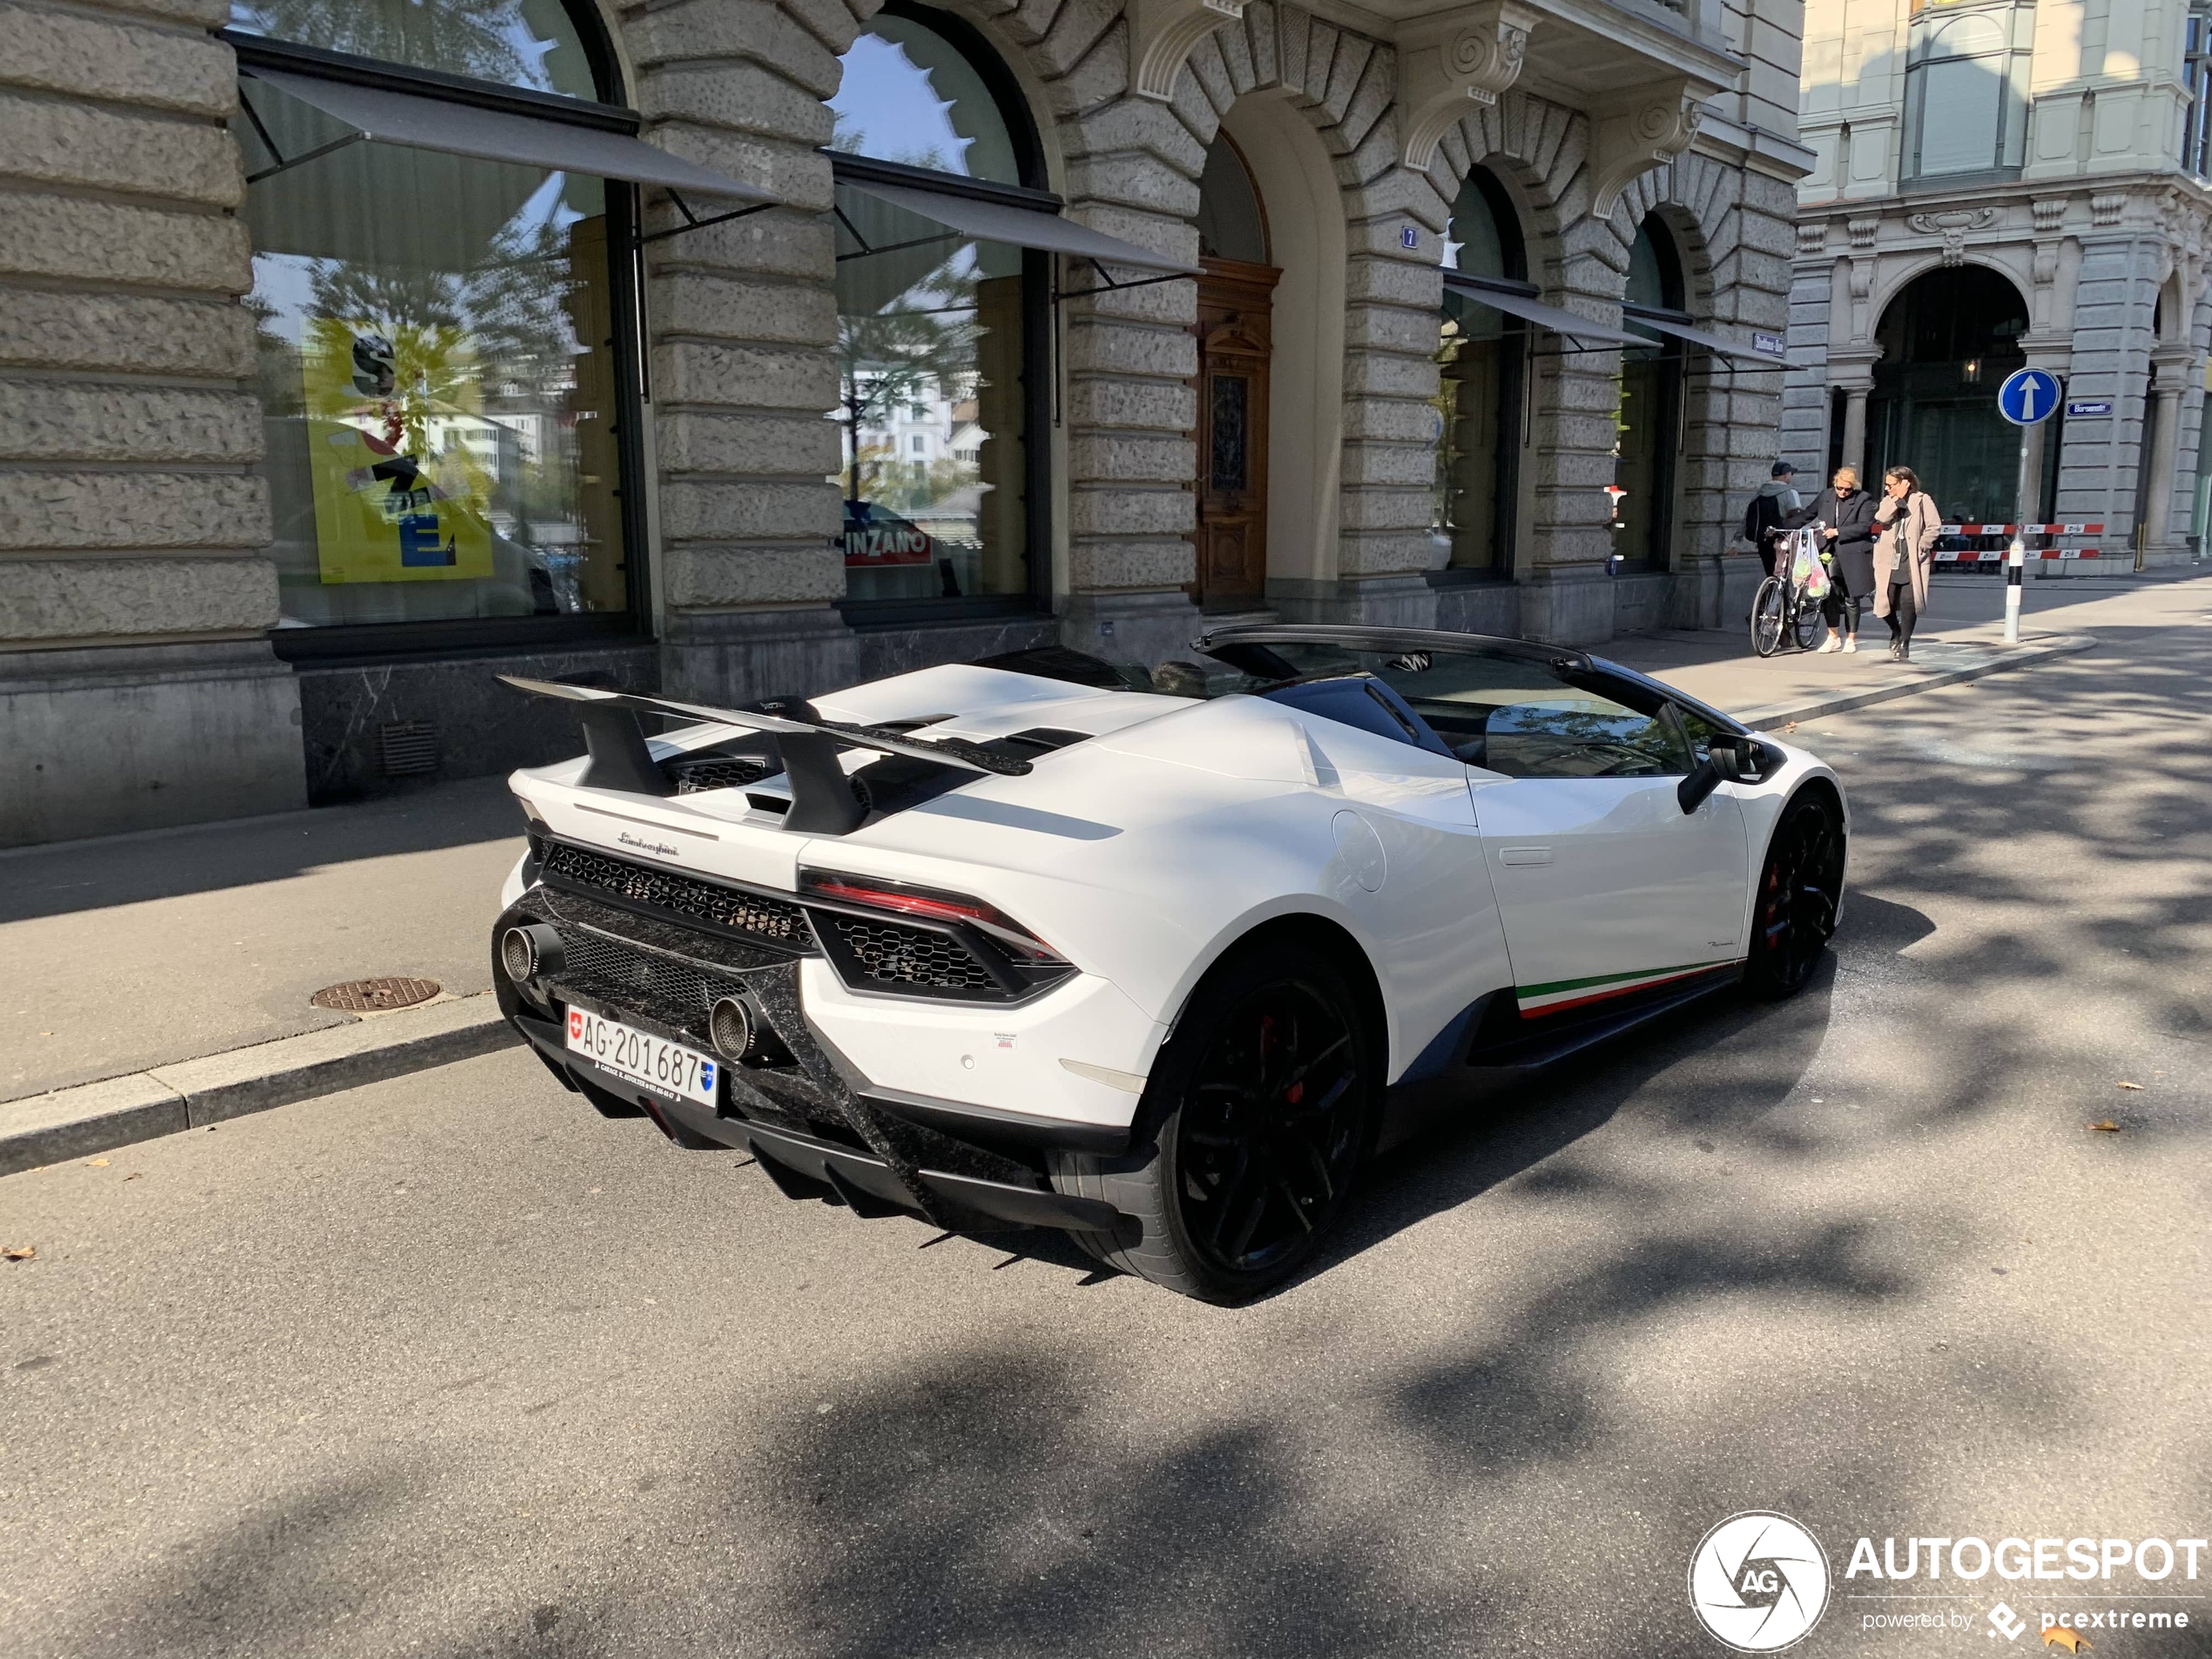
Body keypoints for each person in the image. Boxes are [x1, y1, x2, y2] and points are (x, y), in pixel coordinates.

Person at [1784, 465, 1878, 652]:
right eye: (1839, 488)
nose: (1843, 492)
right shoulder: (1826, 496)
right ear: (1834, 484)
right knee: (1828, 594)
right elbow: (1807, 515)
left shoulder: (1863, 499)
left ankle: (1851, 638)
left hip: (1852, 552)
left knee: (1851, 596)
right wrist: (1783, 527)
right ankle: (1833, 635)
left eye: (1847, 489)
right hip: (1828, 552)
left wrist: (1838, 531)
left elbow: (1864, 526)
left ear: (1854, 487)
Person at [1871, 465, 1940, 662]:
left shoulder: (1922, 500)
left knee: (1909, 602)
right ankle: (1896, 630)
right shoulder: (1888, 501)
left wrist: (1923, 544)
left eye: (1891, 484)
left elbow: (1934, 525)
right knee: (1886, 601)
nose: (1887, 488)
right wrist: (1897, 499)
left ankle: (1905, 642)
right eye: (1886, 484)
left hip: (1912, 559)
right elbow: (1881, 518)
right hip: (1889, 558)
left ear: (1905, 482)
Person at [1743, 461, 1802, 577]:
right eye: (1791, 474)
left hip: (1763, 539)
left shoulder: (1759, 493)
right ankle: (1781, 594)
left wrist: (1736, 541)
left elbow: (1746, 518)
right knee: (1784, 574)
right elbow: (1797, 518)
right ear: (1786, 475)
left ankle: (1769, 592)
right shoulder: (1790, 493)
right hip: (1782, 539)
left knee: (1770, 573)